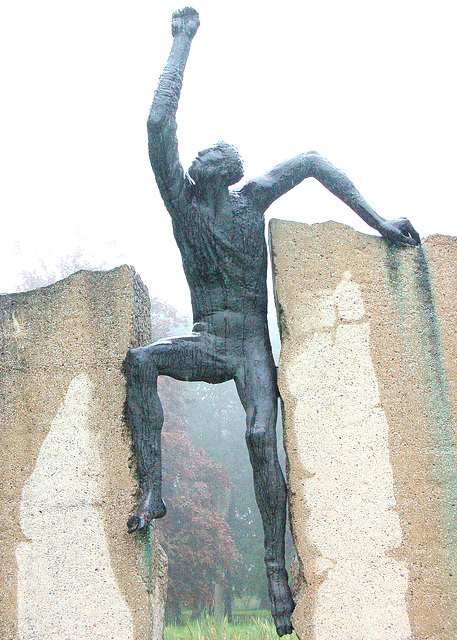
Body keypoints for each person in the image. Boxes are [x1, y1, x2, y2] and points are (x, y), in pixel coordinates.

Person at [123, 7, 420, 636]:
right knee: (141, 360)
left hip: (252, 345)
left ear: (226, 170)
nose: (195, 155)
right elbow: (156, 122)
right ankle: (151, 487)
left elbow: (313, 159)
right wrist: (182, 39)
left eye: (207, 153)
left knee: (261, 436)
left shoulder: (249, 199)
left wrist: (380, 219)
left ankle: (275, 570)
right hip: (209, 339)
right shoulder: (182, 206)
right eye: (195, 152)